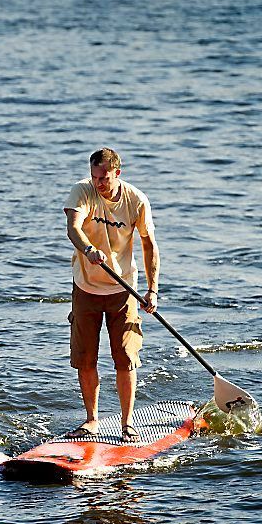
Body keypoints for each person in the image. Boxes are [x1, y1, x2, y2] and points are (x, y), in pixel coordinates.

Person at [63, 147, 159, 442]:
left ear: (118, 173)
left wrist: (152, 289)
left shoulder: (136, 200)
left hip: (123, 289)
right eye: (94, 177)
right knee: (85, 357)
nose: (98, 183)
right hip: (86, 287)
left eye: (103, 178)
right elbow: (73, 228)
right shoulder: (82, 191)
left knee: (125, 357)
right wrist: (89, 249)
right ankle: (91, 421)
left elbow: (149, 245)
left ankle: (127, 424)